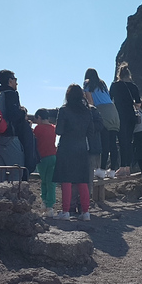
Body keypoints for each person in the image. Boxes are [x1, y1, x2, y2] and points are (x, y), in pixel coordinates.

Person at [52, 84, 94, 221]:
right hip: (82, 147)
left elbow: (59, 131)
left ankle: (65, 211)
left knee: (66, 180)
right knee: (82, 180)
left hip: (66, 147)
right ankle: (86, 212)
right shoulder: (87, 111)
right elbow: (91, 131)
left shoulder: (64, 110)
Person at [0, 70, 37, 181]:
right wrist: (23, 112)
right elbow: (13, 115)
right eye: (15, 80)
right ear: (10, 81)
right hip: (10, 137)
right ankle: (15, 197)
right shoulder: (11, 94)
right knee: (17, 170)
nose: (16, 83)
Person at [83, 68, 120, 178]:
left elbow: (91, 102)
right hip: (113, 111)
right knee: (113, 143)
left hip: (102, 111)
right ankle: (112, 170)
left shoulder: (87, 83)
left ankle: (102, 170)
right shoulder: (102, 84)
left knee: (105, 142)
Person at [109, 62, 141, 177]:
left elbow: (109, 99)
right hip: (131, 116)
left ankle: (122, 167)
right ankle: (127, 167)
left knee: (122, 141)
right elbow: (138, 103)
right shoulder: (133, 86)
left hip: (120, 116)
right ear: (128, 75)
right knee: (128, 141)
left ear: (119, 75)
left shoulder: (114, 85)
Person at [32, 108, 57, 216]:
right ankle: (50, 206)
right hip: (53, 156)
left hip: (42, 157)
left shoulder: (38, 128)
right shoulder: (53, 128)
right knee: (51, 182)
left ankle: (45, 202)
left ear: (39, 117)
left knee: (43, 180)